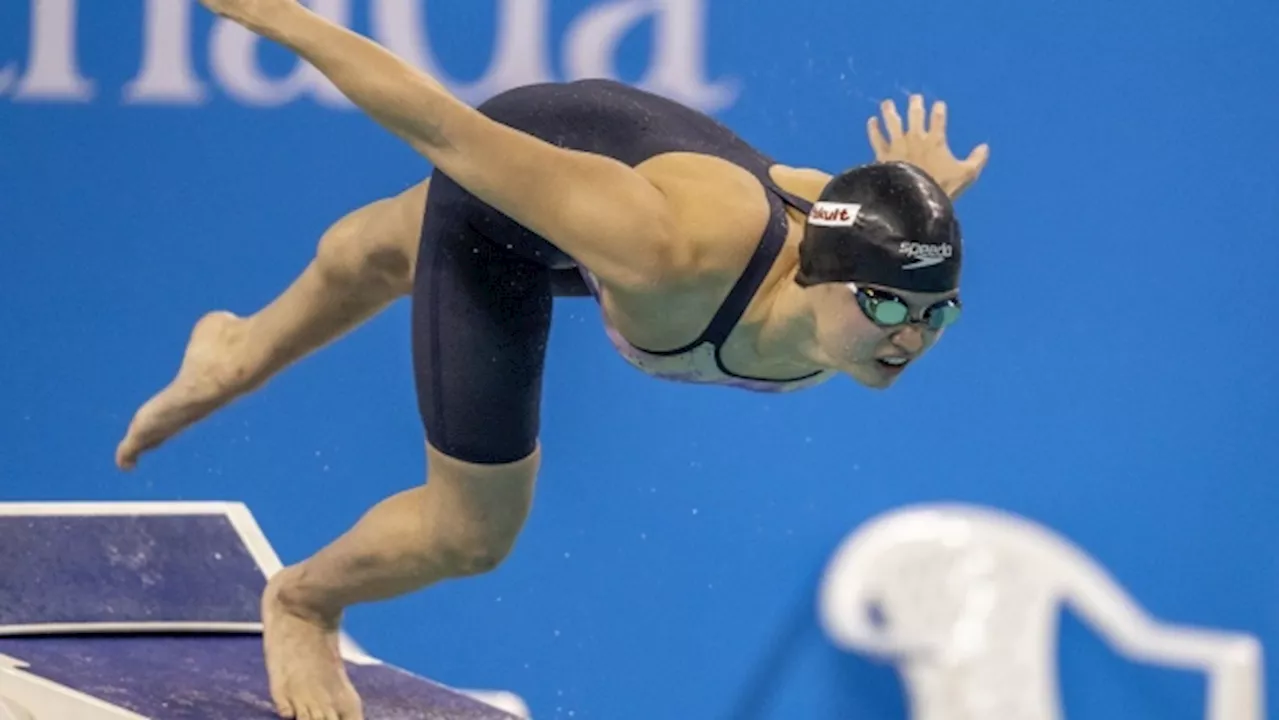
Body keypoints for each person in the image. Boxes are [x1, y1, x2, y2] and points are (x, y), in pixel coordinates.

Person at [115, 1, 991, 718]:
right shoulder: (669, 251)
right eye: (883, 306)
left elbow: (865, 233)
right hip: (564, 176)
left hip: (654, 214)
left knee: (386, 251)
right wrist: (285, 20)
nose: (907, 337)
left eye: (934, 315)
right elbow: (443, 128)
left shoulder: (862, 274)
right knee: (471, 534)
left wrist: (915, 192)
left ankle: (233, 346)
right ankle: (303, 602)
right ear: (813, 274)